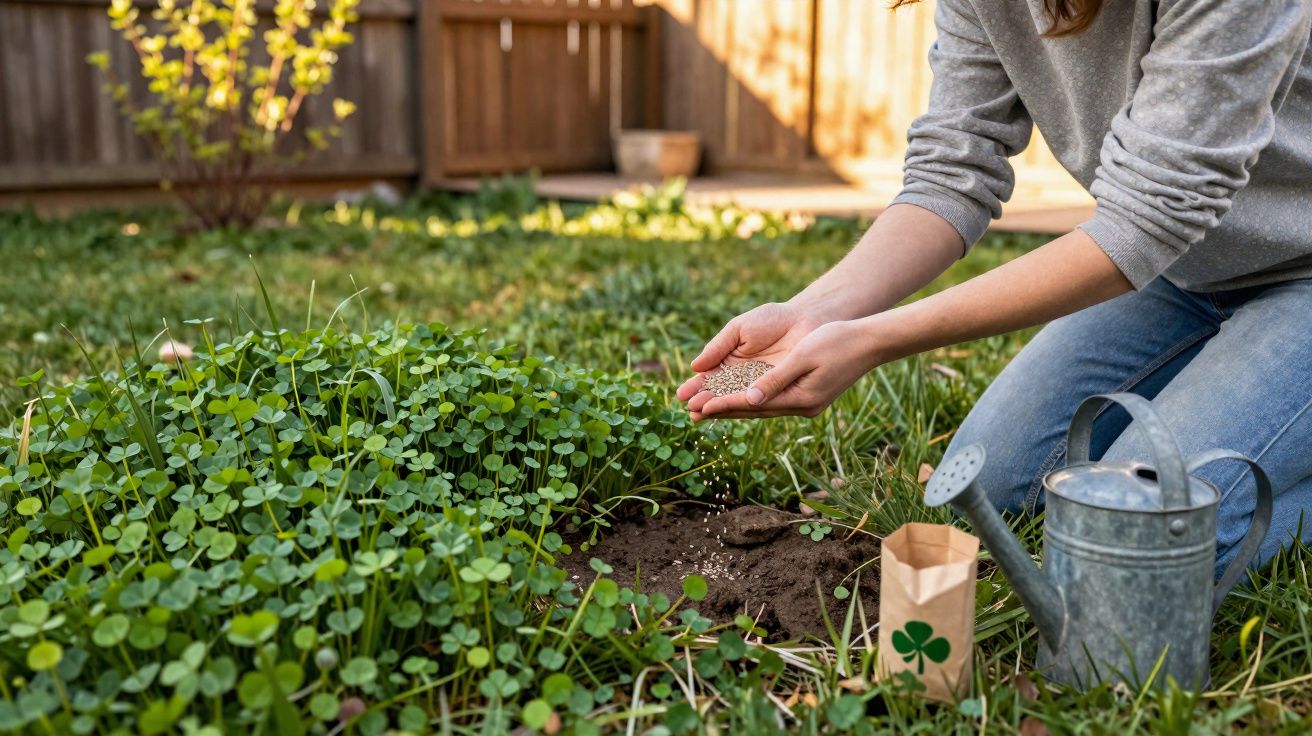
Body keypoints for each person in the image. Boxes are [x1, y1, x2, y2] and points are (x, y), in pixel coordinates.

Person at [677, 0, 1312, 574]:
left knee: (1133, 536)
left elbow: (1148, 219)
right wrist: (814, 313)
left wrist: (872, 340)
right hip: (1177, 273)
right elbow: (952, 171)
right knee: (995, 492)